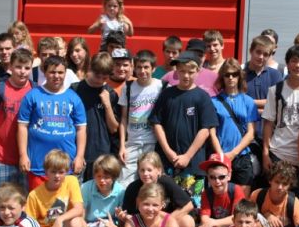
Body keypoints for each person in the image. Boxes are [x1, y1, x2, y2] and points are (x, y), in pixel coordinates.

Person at [150, 49, 219, 208]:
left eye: (190, 71)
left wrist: (187, 156)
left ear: (198, 71)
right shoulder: (167, 95)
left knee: (192, 206)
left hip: (193, 164)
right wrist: (168, 151)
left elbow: (205, 129)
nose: (186, 75)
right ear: (176, 72)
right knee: (165, 205)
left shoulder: (202, 97)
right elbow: (156, 123)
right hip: (167, 162)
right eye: (182, 71)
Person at [261, 44, 299, 213]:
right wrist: (265, 153)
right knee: (276, 202)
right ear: (287, 63)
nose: (298, 66)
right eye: (294, 61)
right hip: (279, 154)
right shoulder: (275, 90)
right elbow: (269, 123)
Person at [18, 55, 87, 189]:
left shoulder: (73, 98)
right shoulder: (32, 96)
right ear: (44, 72)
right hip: (38, 164)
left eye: (60, 72)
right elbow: (22, 126)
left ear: (66, 73)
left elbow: (81, 129)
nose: (56, 76)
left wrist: (79, 156)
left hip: (66, 167)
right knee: (39, 207)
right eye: (52, 72)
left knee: (65, 206)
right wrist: (23, 155)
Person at [0, 48, 34, 209]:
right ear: (10, 66)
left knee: (24, 203)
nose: (22, 72)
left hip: (27, 159)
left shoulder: (35, 90)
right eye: (18, 67)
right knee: (0, 203)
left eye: (27, 68)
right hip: (2, 156)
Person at [122, 152, 196, 227]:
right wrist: (123, 217)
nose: (145, 174)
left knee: (188, 221)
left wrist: (165, 222)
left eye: (149, 170)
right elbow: (129, 214)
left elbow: (188, 205)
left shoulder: (166, 182)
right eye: (142, 170)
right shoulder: (133, 188)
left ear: (159, 170)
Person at [210, 59, 259, 195]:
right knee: (220, 198)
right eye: (227, 74)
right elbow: (212, 132)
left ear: (240, 76)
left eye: (235, 74)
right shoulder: (213, 101)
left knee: (243, 200)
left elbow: (251, 133)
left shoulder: (248, 101)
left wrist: (233, 153)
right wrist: (221, 155)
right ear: (222, 77)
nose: (231, 77)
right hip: (220, 155)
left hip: (242, 156)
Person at [71, 52, 118, 180]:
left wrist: (107, 105)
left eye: (105, 77)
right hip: (77, 152)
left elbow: (114, 128)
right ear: (90, 68)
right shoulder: (75, 90)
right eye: (97, 75)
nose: (100, 80)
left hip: (101, 153)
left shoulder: (110, 93)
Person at [118, 49, 163, 187]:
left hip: (152, 142)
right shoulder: (128, 87)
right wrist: (122, 146)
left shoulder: (161, 86)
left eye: (146, 67)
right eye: (139, 67)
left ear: (153, 68)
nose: (142, 71)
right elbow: (124, 119)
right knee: (124, 182)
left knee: (151, 180)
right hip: (132, 142)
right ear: (133, 68)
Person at [194, 154, 247, 227]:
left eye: (221, 177)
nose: (217, 181)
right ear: (208, 178)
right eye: (212, 177)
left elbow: (237, 217)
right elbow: (205, 219)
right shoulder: (206, 193)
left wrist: (213, 223)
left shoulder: (236, 190)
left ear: (229, 176)